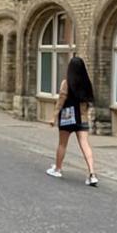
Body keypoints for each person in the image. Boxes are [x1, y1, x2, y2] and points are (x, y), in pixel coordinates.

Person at [46, 56, 98, 186]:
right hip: (82, 117)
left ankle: (57, 169)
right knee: (85, 144)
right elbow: (88, 102)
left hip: (67, 118)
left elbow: (60, 102)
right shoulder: (87, 84)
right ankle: (92, 174)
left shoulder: (66, 83)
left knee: (62, 144)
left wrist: (54, 117)